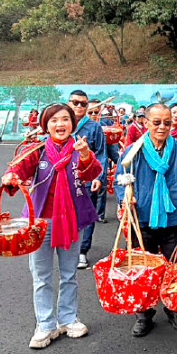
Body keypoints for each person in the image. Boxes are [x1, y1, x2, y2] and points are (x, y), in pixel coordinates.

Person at [0, 103, 102, 349]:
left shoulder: (80, 148)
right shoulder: (35, 149)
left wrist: (86, 154)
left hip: (71, 220)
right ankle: (45, 324)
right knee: (41, 277)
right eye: (54, 120)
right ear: (46, 125)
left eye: (65, 119)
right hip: (39, 223)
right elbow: (17, 168)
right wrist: (10, 177)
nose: (60, 124)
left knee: (70, 274)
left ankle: (68, 319)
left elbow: (93, 174)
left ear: (72, 123)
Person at [113, 103, 177, 335]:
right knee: (141, 269)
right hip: (141, 217)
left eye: (167, 122)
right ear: (146, 122)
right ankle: (144, 313)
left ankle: (175, 309)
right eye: (157, 122)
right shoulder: (134, 149)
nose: (162, 127)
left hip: (172, 217)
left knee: (175, 266)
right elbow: (120, 180)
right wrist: (125, 198)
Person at [67, 90, 108, 270]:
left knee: (87, 215)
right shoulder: (62, 124)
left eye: (83, 103)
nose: (79, 106)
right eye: (75, 102)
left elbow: (101, 153)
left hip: (87, 179)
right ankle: (67, 247)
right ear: (68, 103)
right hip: (65, 180)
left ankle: (83, 251)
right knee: (66, 214)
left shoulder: (94, 127)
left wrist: (99, 176)